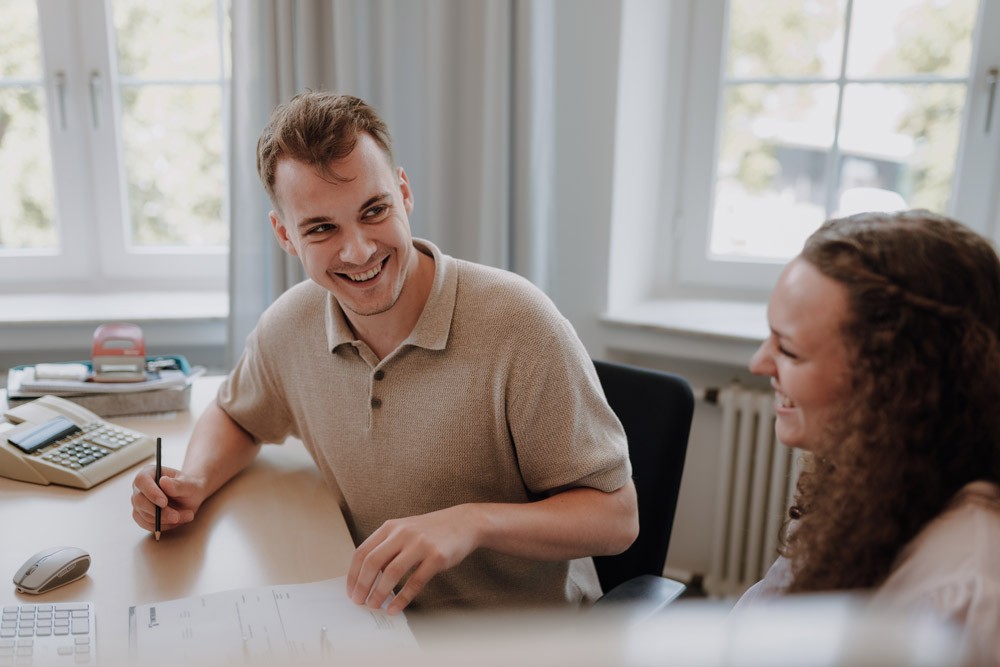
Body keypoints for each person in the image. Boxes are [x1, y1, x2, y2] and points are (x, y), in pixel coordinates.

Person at [129, 91, 638, 614]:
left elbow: (617, 518)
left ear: (404, 192)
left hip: (515, 638)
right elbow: (236, 414)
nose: (359, 251)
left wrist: (472, 521)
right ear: (284, 233)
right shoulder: (290, 325)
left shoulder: (520, 324)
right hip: (380, 624)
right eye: (322, 228)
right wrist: (193, 481)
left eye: (374, 211)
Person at [734, 209, 1000, 663]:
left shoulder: (963, 595)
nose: (759, 364)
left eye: (790, 350)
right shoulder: (875, 479)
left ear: (899, 384)